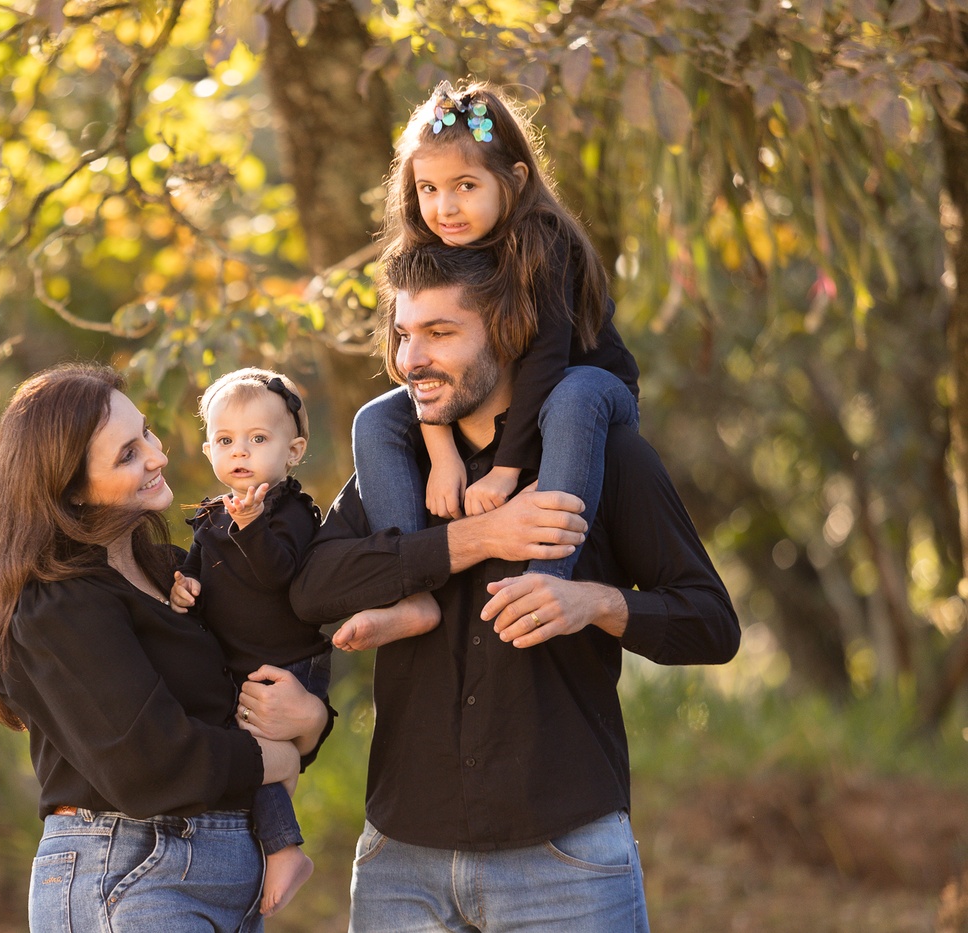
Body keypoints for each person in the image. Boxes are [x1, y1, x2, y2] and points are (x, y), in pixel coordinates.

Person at [292, 244, 740, 931]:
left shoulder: (605, 452)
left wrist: (597, 604)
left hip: (567, 860)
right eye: (405, 334)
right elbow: (315, 587)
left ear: (507, 331)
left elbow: (712, 623)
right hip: (400, 861)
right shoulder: (396, 459)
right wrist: (477, 538)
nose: (414, 359)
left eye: (441, 334)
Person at [0, 363, 330, 933]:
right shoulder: (59, 604)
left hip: (225, 868)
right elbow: (153, 765)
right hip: (128, 868)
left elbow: (254, 678)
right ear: (71, 489)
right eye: (127, 454)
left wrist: (311, 718)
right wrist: (281, 757)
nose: (157, 455)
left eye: (146, 434)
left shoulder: (176, 575)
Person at [353, 80, 641, 586]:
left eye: (465, 186)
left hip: (587, 389)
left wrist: (506, 469)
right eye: (429, 189)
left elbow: (546, 363)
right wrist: (442, 458)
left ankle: (547, 574)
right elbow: (416, 363)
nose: (445, 208)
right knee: (374, 420)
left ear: (514, 179)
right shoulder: (424, 251)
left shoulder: (543, 240)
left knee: (573, 394)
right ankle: (405, 583)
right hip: (491, 392)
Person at [168, 368, 331, 918]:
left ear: (293, 450)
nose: (240, 451)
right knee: (244, 755)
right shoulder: (214, 514)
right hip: (238, 664)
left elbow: (279, 574)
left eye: (259, 440)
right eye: (225, 440)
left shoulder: (292, 514)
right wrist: (184, 584)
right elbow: (200, 569)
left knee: (257, 752)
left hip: (288, 663)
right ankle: (262, 845)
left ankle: (285, 849)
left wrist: (255, 524)